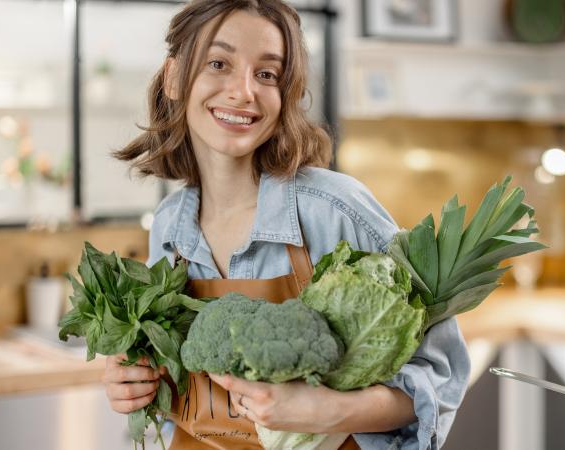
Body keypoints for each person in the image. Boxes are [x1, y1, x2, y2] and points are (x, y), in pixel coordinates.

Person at [101, 1, 469, 449]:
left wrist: (332, 410)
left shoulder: (336, 209)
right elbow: (169, 376)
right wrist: (134, 380)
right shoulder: (170, 226)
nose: (243, 92)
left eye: (267, 74)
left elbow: (440, 378)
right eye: (219, 63)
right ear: (174, 77)